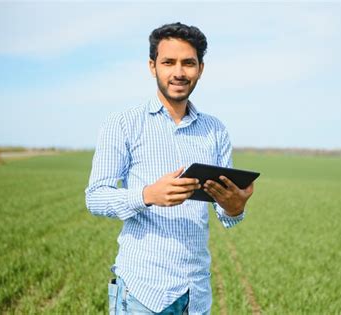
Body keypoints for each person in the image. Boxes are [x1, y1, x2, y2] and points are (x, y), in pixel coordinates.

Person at [85, 22, 255, 315]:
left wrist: (235, 207)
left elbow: (226, 216)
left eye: (188, 63)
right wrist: (148, 194)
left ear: (200, 68)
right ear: (153, 66)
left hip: (195, 293)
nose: (179, 72)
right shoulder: (124, 123)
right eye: (168, 62)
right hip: (142, 291)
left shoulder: (215, 130)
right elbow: (95, 197)